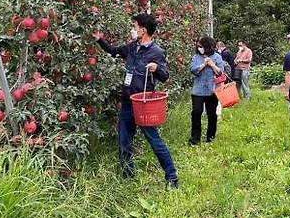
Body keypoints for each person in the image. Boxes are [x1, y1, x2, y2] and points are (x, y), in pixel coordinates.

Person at [94, 13, 179, 188]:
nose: (133, 30)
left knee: (154, 140)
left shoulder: (157, 52)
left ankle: (171, 176)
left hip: (144, 104)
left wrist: (156, 68)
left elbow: (165, 76)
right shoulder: (132, 48)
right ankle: (128, 176)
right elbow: (114, 51)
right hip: (127, 102)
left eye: (134, 26)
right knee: (124, 141)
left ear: (143, 29)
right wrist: (99, 40)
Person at [189, 36, 224, 145]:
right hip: (198, 90)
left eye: (202, 46)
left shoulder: (217, 57)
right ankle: (195, 138)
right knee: (196, 112)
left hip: (212, 90)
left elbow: (220, 73)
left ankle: (211, 137)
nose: (199, 48)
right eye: (198, 46)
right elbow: (193, 70)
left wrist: (212, 64)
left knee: (212, 114)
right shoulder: (196, 57)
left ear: (208, 46)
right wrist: (203, 64)